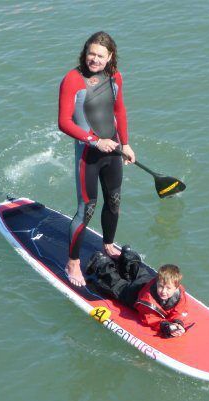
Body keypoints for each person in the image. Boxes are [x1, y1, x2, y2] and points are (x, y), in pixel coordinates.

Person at [58, 31, 136, 288]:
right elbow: (64, 122)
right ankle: (72, 262)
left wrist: (125, 143)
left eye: (100, 55)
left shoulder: (115, 76)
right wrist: (94, 140)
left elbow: (119, 110)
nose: (94, 59)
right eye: (91, 53)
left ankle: (108, 244)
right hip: (89, 155)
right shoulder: (72, 79)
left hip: (112, 151)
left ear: (110, 56)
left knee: (114, 201)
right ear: (85, 52)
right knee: (87, 209)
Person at [87, 248, 189, 338]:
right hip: (134, 294)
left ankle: (127, 256)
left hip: (146, 280)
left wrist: (178, 323)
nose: (163, 291)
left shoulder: (179, 293)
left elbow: (179, 310)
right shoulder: (147, 301)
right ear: (157, 282)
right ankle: (100, 261)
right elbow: (150, 319)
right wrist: (166, 326)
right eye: (161, 286)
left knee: (138, 271)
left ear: (176, 287)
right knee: (116, 285)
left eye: (168, 288)